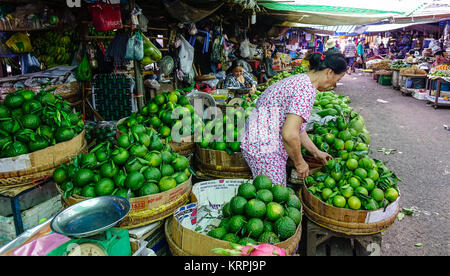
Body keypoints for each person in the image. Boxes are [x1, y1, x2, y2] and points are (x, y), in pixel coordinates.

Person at [240, 50, 347, 186]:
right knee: (274, 195)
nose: (335, 85)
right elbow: (289, 134)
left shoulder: (302, 81)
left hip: (259, 142)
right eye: (338, 79)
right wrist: (300, 162)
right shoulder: (305, 90)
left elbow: (298, 129)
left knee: (269, 192)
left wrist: (316, 152)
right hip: (263, 147)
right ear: (330, 72)